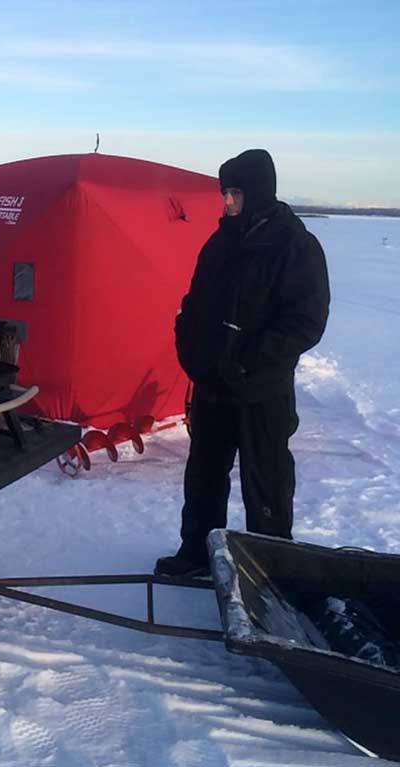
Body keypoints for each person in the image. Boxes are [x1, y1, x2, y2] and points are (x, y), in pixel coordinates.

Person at [155, 149, 330, 577]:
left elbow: (306, 321)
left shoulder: (295, 246)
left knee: (265, 481)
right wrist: (190, 349)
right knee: (204, 476)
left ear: (258, 191)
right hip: (214, 383)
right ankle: (196, 553)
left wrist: (251, 360)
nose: (227, 202)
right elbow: (194, 303)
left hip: (261, 390)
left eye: (235, 193)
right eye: (225, 193)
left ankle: (268, 568)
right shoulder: (221, 241)